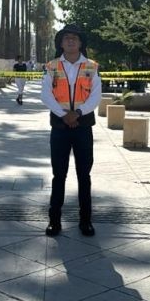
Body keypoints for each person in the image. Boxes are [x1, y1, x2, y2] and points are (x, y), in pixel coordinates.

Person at [40, 24, 102, 237]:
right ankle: (54, 221)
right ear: (61, 43)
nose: (70, 41)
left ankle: (86, 221)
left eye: (74, 38)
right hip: (59, 127)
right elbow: (46, 95)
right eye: (66, 38)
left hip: (83, 127)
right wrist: (64, 114)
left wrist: (78, 113)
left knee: (84, 175)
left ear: (81, 43)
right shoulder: (52, 66)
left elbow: (95, 96)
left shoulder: (91, 67)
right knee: (59, 175)